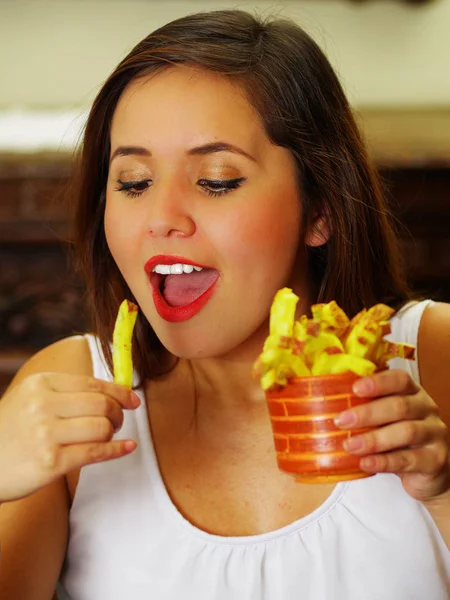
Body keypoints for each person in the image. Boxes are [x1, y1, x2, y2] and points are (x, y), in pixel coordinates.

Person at [0, 9, 449, 600]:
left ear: (321, 209)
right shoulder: (65, 392)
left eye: (215, 180)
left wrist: (443, 491)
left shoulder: (433, 355)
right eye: (133, 183)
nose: (160, 219)